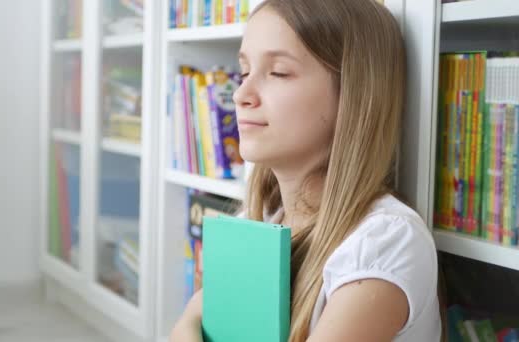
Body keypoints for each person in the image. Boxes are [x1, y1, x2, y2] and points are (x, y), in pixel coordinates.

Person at [170, 0, 442, 341]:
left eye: (278, 72)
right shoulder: (258, 220)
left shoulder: (384, 242)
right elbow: (186, 324)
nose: (241, 94)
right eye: (244, 72)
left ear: (352, 95)